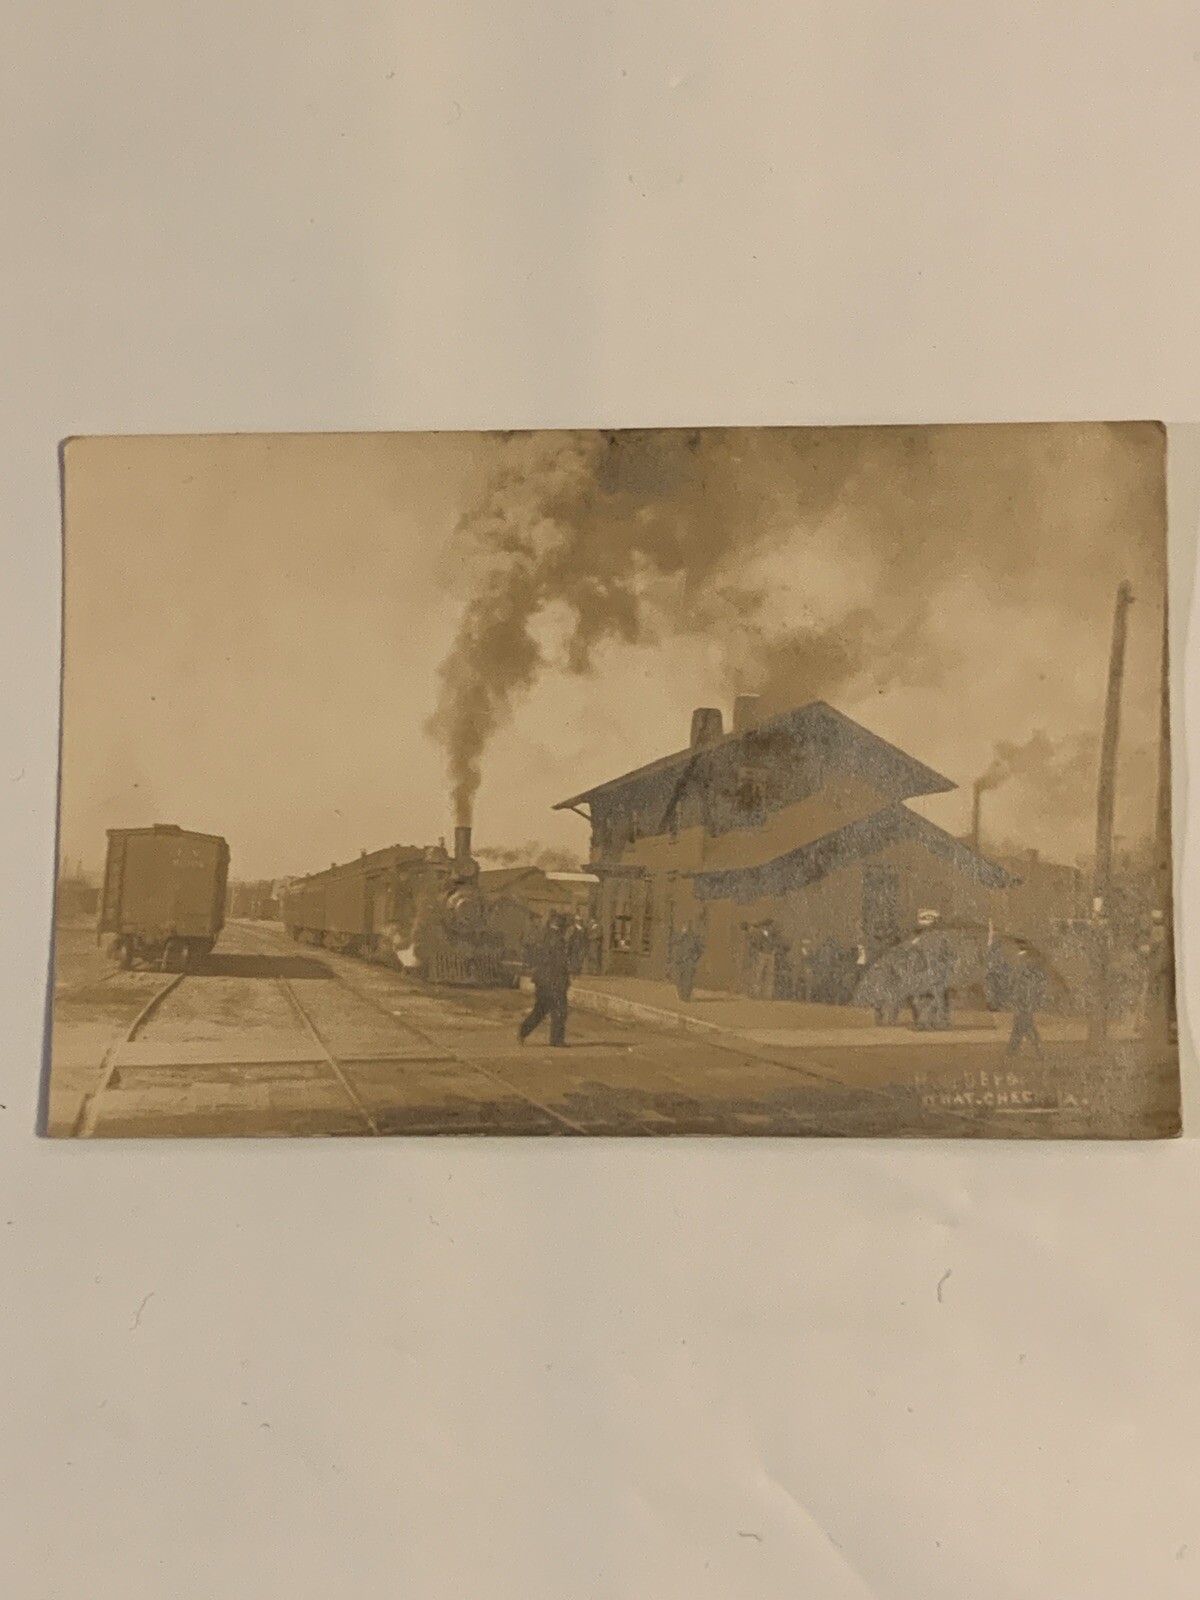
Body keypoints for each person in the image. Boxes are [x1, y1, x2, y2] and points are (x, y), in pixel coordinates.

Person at [519, 915, 572, 1047]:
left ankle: (523, 1030)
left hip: (542, 980)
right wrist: (565, 980)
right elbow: (560, 963)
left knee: (540, 1009)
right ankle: (556, 1040)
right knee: (560, 1010)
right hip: (554, 981)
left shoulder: (543, 936)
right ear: (561, 927)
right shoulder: (558, 940)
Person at [1007, 941, 1047, 1057]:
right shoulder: (1027, 965)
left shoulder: (1030, 966)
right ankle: (1036, 1050)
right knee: (1024, 1027)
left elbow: (1029, 988)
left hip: (1025, 1003)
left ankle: (1012, 1051)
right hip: (1024, 1003)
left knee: (1021, 1027)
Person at [671, 922, 704, 1003]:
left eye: (686, 928)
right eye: (683, 928)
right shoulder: (679, 939)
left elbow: (699, 950)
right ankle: (681, 995)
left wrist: (694, 958)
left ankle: (687, 996)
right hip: (680, 961)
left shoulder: (694, 939)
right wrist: (676, 959)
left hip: (689, 962)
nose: (684, 930)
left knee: (688, 980)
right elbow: (674, 949)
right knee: (680, 979)